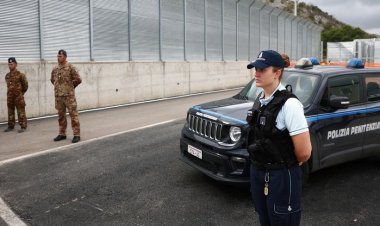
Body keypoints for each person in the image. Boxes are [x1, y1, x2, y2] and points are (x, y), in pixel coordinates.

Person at [246, 50, 312, 226]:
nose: (256, 73)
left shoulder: (290, 105)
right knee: (265, 218)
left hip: (281, 176)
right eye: (255, 68)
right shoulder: (261, 100)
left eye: (262, 69)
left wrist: (284, 165)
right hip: (259, 172)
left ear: (277, 72)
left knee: (282, 220)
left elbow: (304, 152)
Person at [51, 49, 82, 143]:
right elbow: (53, 80)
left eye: (60, 56)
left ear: (65, 57)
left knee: (73, 115)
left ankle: (76, 135)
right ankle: (62, 133)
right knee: (61, 116)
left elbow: (78, 79)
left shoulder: (70, 67)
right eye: (57, 56)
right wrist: (59, 88)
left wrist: (70, 88)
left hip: (69, 97)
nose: (58, 58)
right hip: (59, 97)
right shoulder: (55, 68)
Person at [4, 57, 28, 133]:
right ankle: (10, 126)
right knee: (10, 112)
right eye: (9, 64)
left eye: (11, 64)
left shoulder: (21, 75)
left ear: (15, 64)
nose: (10, 66)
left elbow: (25, 86)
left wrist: (20, 93)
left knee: (21, 112)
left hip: (19, 97)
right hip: (10, 97)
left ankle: (23, 126)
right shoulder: (7, 76)